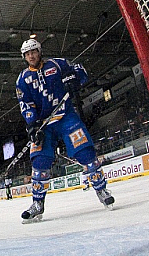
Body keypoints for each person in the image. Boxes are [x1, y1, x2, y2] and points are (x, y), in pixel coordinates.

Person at [15, 38, 114, 222]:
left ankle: (102, 190)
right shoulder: (22, 80)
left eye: (34, 51)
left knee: (85, 153)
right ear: (24, 56)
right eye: (28, 54)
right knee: (40, 161)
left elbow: (80, 70)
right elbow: (26, 105)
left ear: (39, 51)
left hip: (66, 117)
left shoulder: (57, 64)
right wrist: (33, 125)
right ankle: (38, 204)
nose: (31, 56)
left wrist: (75, 80)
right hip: (44, 124)